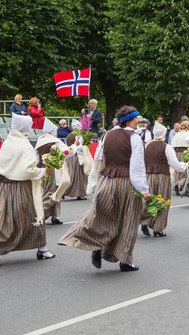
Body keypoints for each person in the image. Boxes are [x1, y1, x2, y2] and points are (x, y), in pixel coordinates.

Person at [58, 106, 150, 272]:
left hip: (107, 180)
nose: (138, 121)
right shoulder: (134, 138)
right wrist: (144, 189)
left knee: (103, 216)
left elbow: (99, 158)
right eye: (137, 118)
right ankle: (125, 260)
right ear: (130, 119)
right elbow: (136, 166)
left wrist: (96, 181)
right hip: (126, 183)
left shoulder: (107, 135)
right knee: (128, 220)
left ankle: (97, 245)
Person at [0, 114, 55, 267]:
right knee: (33, 216)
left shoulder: (8, 142)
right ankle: (38, 248)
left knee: (1, 218)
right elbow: (28, 170)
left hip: (4, 187)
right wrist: (44, 171)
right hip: (20, 187)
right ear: (24, 128)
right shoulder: (24, 144)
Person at [141, 121, 189, 237]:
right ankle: (158, 227)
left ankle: (145, 221)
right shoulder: (166, 147)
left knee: (150, 199)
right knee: (162, 200)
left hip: (149, 175)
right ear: (163, 134)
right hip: (162, 175)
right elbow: (175, 164)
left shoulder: (147, 145)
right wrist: (186, 165)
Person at [35, 118, 76, 225]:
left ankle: (49, 215)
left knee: (43, 191)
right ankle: (48, 214)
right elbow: (67, 152)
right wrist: (74, 146)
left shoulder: (39, 141)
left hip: (41, 169)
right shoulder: (55, 141)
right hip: (53, 170)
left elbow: (35, 157)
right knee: (54, 191)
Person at [64, 120, 91, 200]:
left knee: (70, 174)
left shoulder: (68, 135)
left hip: (69, 157)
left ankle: (64, 191)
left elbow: (67, 146)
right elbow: (78, 147)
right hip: (76, 157)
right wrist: (84, 147)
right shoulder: (78, 136)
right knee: (79, 175)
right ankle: (79, 193)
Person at [170, 120, 189, 195]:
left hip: (176, 153)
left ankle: (176, 182)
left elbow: (172, 144)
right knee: (185, 170)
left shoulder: (177, 134)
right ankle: (180, 183)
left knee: (177, 169)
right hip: (185, 153)